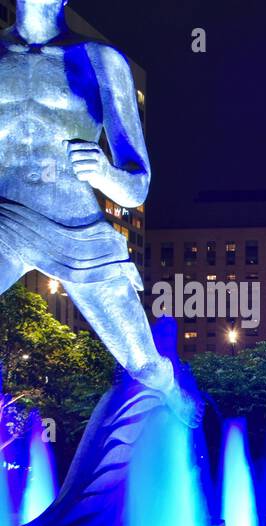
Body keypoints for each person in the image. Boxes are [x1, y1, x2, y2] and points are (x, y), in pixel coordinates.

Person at [0, 0, 199, 425]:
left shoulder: (101, 62)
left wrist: (105, 173)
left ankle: (179, 423)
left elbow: (136, 187)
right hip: (4, 221)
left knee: (145, 366)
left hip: (79, 230)